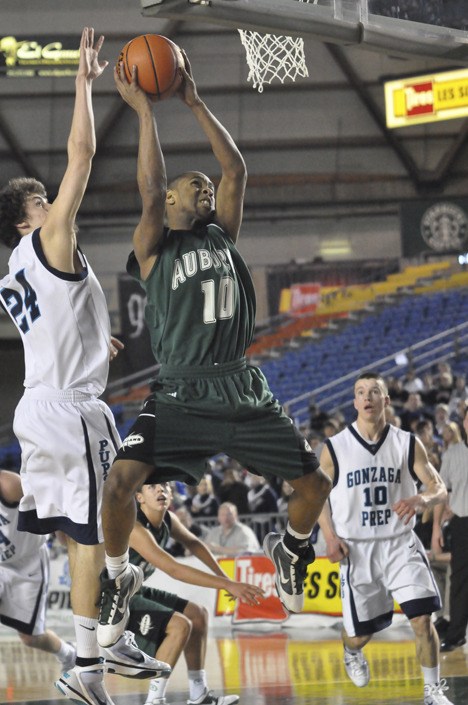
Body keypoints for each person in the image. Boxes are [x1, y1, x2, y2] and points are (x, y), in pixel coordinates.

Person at [96, 49, 331, 648]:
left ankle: (293, 548)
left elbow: (238, 173)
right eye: (191, 186)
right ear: (173, 204)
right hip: (180, 392)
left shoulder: (223, 236)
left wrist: (194, 102)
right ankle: (120, 576)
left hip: (241, 387)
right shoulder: (155, 246)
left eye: (205, 186)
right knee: (119, 484)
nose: (204, 189)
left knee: (314, 488)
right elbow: (150, 192)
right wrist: (145, 113)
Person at [0, 28, 168, 705]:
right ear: (28, 218)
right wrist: (83, 84)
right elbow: (84, 151)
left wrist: (98, 342)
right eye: (44, 201)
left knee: (84, 531)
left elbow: (56, 325)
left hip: (43, 401)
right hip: (68, 407)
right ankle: (101, 648)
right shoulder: (46, 239)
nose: (54, 205)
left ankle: (94, 657)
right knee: (104, 521)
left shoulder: (14, 268)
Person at [318, 372, 453, 705]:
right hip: (357, 551)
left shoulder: (407, 442)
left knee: (422, 619)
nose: (367, 397)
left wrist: (422, 499)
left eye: (374, 392)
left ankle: (432, 691)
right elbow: (316, 496)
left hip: (399, 544)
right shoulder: (335, 448)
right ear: (354, 402)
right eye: (360, 392)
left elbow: (438, 487)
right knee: (361, 635)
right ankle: (350, 651)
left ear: (385, 400)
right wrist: (329, 535)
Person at [119, 481, 263, 705]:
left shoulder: (168, 519)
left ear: (173, 494)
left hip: (135, 590)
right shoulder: (135, 527)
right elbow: (174, 569)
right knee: (180, 626)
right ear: (139, 498)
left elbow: (195, 543)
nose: (161, 490)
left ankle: (199, 694)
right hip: (114, 598)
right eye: (152, 487)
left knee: (198, 615)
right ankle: (154, 700)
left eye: (165, 486)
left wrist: (226, 579)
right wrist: (226, 585)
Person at [0, 469, 76, 672]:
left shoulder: (9, 484)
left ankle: (68, 654)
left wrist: (67, 541)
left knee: (31, 637)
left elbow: (49, 504)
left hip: (28, 562)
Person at [432, 405, 468, 653]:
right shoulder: (453, 453)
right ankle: (456, 634)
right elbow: (442, 492)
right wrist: (436, 527)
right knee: (459, 580)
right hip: (462, 521)